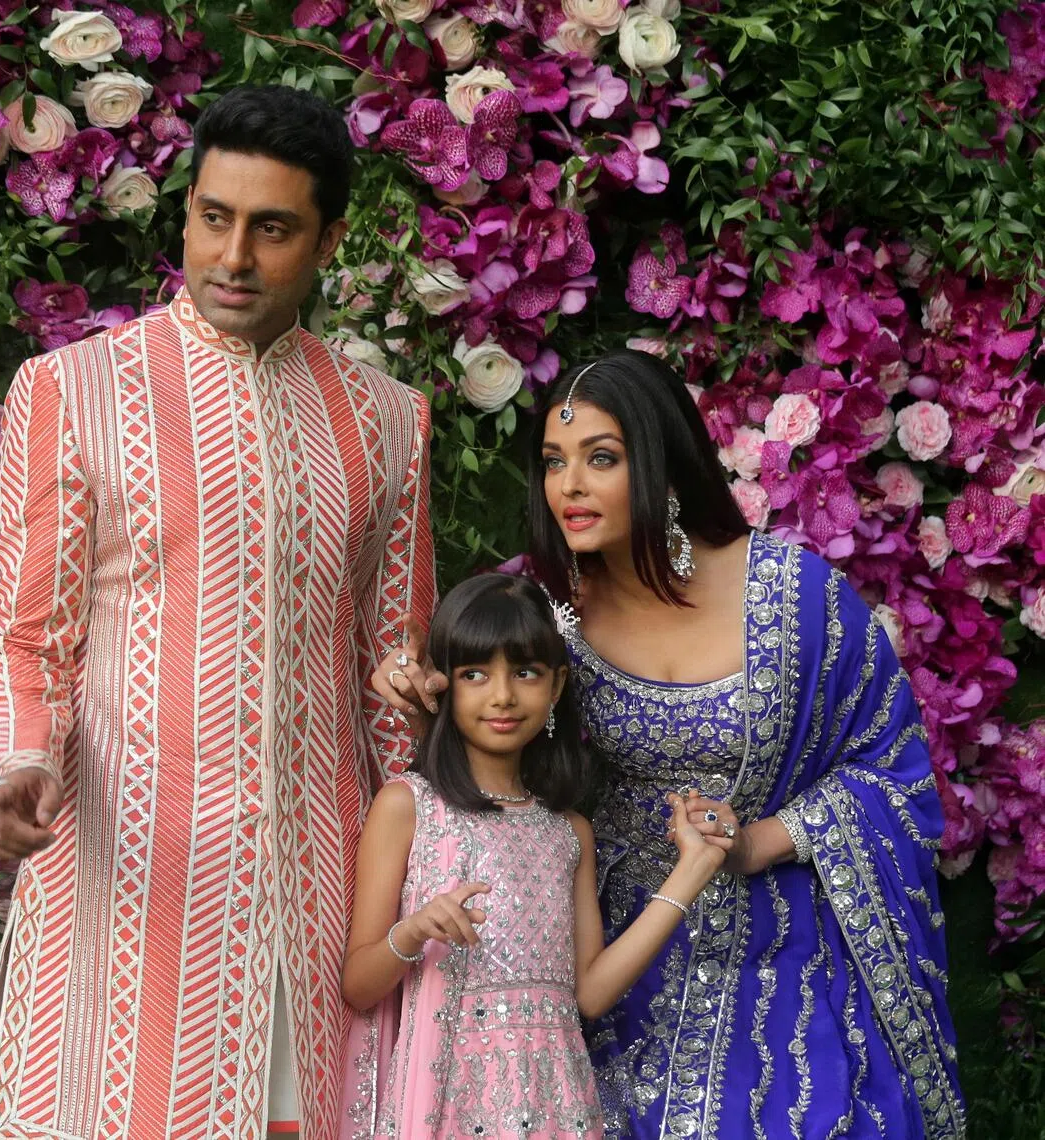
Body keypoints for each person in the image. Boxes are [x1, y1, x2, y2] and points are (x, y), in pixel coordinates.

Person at [0, 84, 435, 1140]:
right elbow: (27, 635)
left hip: (318, 890)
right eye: (213, 218)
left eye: (272, 229)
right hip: (127, 885)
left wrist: (430, 816)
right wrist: (22, 760)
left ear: (328, 240)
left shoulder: (388, 420)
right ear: (185, 214)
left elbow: (395, 657)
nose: (232, 256)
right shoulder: (74, 391)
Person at [373, 350, 966, 1139]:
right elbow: (483, 718)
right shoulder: (542, 606)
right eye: (554, 461)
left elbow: (892, 766)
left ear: (661, 464)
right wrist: (422, 698)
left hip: (782, 933)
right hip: (617, 939)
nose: (569, 486)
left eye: (601, 459)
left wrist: (754, 843)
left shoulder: (796, 596)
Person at [341, 573, 730, 1139]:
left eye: (524, 672)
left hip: (557, 1103)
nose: (502, 695)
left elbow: (590, 994)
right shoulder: (409, 806)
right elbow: (357, 984)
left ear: (556, 684)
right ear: (443, 683)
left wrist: (690, 873)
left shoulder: (568, 831)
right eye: (475, 674)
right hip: (447, 1101)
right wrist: (415, 930)